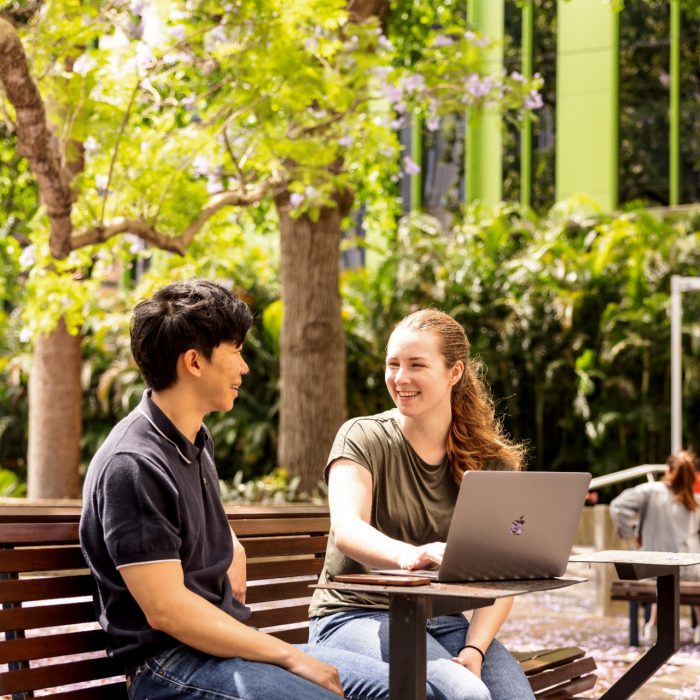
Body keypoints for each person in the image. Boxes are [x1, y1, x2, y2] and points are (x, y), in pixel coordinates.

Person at [79, 279, 392, 700]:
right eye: (236, 350)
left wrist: (231, 539)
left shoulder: (192, 438)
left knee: (405, 685)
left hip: (224, 651)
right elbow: (167, 611)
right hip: (169, 666)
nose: (244, 367)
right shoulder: (132, 464)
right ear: (194, 362)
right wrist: (289, 656)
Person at [308, 309, 535, 700]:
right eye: (393, 364)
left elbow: (503, 572)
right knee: (464, 696)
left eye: (417, 365)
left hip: (443, 621)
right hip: (354, 615)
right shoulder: (362, 437)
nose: (400, 378)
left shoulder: (488, 459)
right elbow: (347, 528)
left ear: (454, 372)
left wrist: (474, 648)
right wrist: (411, 556)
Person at [610, 449, 700, 644]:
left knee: (663, 573)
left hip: (653, 571)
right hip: (691, 573)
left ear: (668, 470)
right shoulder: (695, 501)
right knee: (685, 573)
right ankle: (699, 627)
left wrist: (631, 536)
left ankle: (652, 624)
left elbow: (617, 507)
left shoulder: (650, 491)